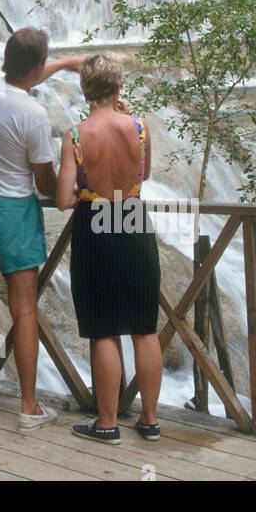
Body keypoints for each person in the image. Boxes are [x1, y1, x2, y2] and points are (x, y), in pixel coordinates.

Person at [0, 27, 84, 431]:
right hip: (13, 213)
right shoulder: (34, 115)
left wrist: (63, 63)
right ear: (36, 68)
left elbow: (22, 77)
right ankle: (28, 407)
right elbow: (45, 184)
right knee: (24, 310)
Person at [56, 53, 162, 444]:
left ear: (85, 91)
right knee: (144, 328)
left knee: (103, 329)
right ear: (118, 89)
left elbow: (65, 201)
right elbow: (143, 175)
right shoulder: (139, 127)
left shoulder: (76, 136)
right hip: (131, 218)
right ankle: (149, 420)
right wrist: (130, 114)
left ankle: (108, 423)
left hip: (96, 221)